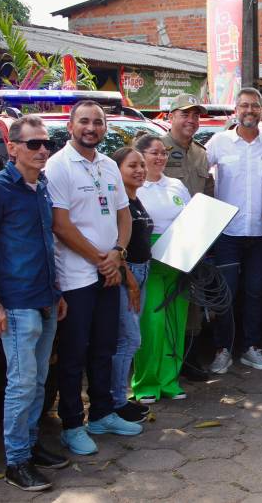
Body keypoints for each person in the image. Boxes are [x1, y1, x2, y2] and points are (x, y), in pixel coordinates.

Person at [0, 115, 69, 491]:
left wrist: (56, 293)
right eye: (33, 144)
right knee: (22, 383)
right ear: (12, 148)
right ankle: (16, 462)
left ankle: (29, 447)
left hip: (45, 299)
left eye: (46, 143)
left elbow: (45, 245)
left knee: (40, 380)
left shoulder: (41, 185)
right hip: (14, 302)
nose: (42, 149)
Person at [45, 100, 142, 456]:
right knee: (74, 353)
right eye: (84, 122)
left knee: (104, 345)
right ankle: (72, 423)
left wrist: (117, 253)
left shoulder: (107, 165)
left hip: (109, 271)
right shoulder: (58, 167)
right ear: (71, 127)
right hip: (75, 277)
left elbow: (124, 216)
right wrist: (101, 260)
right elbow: (61, 225)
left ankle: (101, 413)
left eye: (98, 122)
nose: (91, 128)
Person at [206, 87, 262, 371]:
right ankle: (222, 348)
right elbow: (200, 172)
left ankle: (251, 346)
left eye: (254, 106)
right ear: (235, 111)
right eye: (244, 106)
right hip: (227, 232)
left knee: (255, 292)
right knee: (226, 293)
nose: (249, 111)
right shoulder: (219, 142)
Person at [132, 135, 191, 402]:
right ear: (141, 155)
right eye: (154, 153)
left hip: (178, 261)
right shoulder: (134, 186)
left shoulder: (177, 185)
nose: (160, 157)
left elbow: (193, 219)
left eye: (163, 153)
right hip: (149, 260)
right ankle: (146, 383)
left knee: (175, 322)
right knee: (151, 323)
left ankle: (170, 380)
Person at [162, 93, 214, 382]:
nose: (191, 120)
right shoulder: (157, 148)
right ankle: (164, 357)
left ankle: (189, 356)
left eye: (195, 116)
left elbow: (207, 191)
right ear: (171, 117)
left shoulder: (200, 152)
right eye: (185, 114)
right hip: (164, 236)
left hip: (194, 235)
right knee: (164, 300)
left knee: (191, 298)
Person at [110, 147, 153, 422]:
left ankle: (120, 397)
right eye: (132, 166)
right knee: (128, 340)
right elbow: (115, 243)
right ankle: (116, 401)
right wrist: (130, 280)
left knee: (130, 339)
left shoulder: (135, 199)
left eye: (142, 165)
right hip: (129, 275)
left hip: (144, 271)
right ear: (117, 170)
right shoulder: (119, 201)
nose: (139, 170)